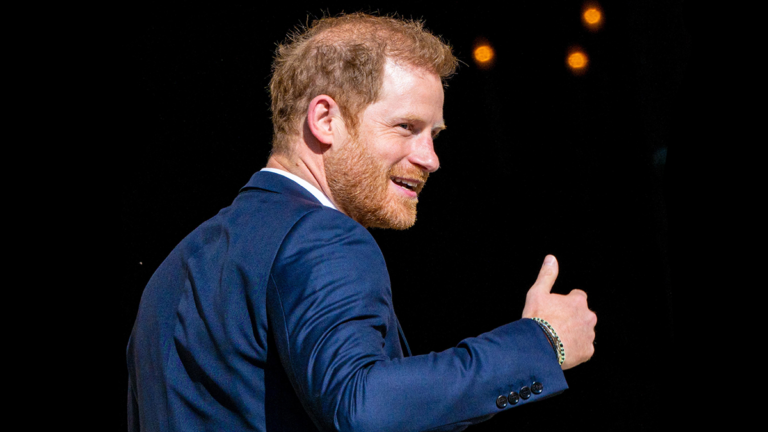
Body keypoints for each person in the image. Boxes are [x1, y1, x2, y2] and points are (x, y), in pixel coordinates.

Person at [127, 13, 596, 432]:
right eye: (405, 127)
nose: (430, 159)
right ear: (325, 120)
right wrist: (541, 343)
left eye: (434, 135)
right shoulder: (323, 235)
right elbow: (362, 407)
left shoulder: (173, 271)